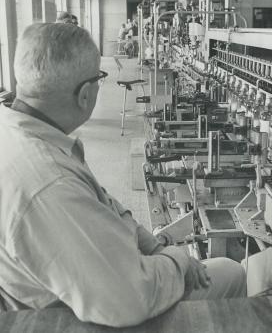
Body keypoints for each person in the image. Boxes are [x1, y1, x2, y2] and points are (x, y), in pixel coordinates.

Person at [0, 23, 246, 328]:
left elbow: (105, 202)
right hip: (67, 317)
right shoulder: (50, 183)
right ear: (86, 94)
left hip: (70, 284)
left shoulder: (21, 131)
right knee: (232, 273)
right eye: (99, 79)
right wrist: (179, 261)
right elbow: (127, 300)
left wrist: (156, 247)